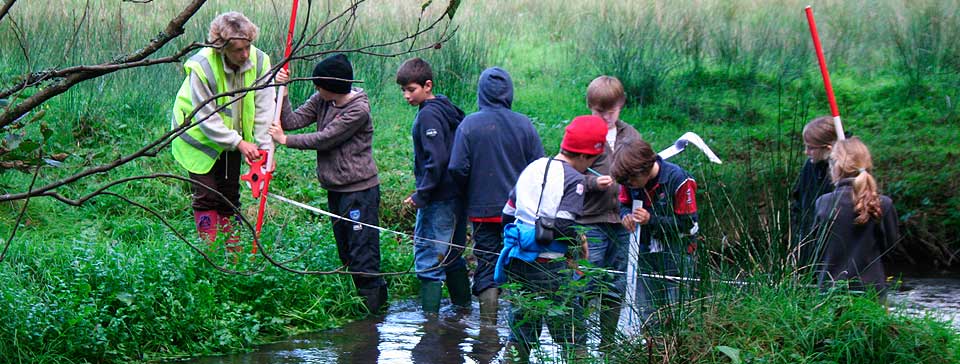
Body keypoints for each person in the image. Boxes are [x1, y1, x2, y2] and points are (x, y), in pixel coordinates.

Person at [268, 53, 387, 314]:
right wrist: (283, 93)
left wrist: (286, 141)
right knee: (346, 253)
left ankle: (372, 317)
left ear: (333, 86)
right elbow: (291, 121)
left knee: (363, 255)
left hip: (359, 191)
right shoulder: (322, 99)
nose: (316, 89)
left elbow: (326, 138)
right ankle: (361, 310)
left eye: (320, 85)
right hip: (335, 189)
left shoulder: (358, 110)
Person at [498, 115, 607, 364]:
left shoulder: (533, 167)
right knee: (572, 333)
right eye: (593, 159)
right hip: (550, 266)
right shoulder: (575, 180)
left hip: (517, 261)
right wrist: (578, 244)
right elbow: (563, 225)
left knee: (522, 328)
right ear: (585, 156)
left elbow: (507, 214)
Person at [170, 11, 275, 253]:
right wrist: (239, 142)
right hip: (196, 137)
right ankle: (210, 254)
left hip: (233, 139)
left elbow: (264, 109)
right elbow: (205, 117)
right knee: (207, 196)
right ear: (221, 48)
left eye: (248, 47)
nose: (245, 54)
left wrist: (264, 150)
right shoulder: (202, 66)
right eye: (238, 50)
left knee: (229, 197)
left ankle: (233, 253)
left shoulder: (260, 61)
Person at [447, 67, 545, 323]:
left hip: (483, 210)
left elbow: (456, 167)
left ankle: (488, 331)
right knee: (523, 262)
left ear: (481, 93)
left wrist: (468, 191)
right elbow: (540, 169)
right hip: (520, 212)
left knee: (487, 264)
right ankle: (521, 334)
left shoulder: (469, 125)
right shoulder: (524, 124)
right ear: (509, 93)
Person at [395, 57, 471, 315]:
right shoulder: (445, 108)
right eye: (403, 90)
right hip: (457, 195)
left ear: (427, 85)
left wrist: (422, 194)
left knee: (429, 259)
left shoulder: (428, 115)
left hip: (439, 198)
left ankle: (430, 324)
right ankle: (463, 314)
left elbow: (437, 159)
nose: (406, 96)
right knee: (452, 256)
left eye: (411, 89)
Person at [578, 76, 641, 351]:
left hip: (623, 222)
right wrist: (593, 182)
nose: (605, 117)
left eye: (611, 111)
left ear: (621, 105)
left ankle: (607, 346)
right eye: (599, 111)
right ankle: (577, 345)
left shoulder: (632, 136)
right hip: (590, 221)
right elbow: (566, 174)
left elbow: (643, 172)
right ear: (589, 107)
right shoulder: (582, 134)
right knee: (586, 280)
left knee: (616, 283)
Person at [611, 139, 699, 331]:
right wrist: (625, 216)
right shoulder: (629, 178)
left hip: (677, 253)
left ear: (644, 169)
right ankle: (652, 344)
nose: (629, 185)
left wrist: (651, 220)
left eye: (630, 182)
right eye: (625, 183)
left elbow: (689, 225)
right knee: (647, 313)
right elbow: (623, 204)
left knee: (677, 313)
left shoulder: (679, 180)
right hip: (644, 252)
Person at [813, 137, 899, 299]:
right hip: (873, 293)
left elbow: (815, 250)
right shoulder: (884, 204)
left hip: (829, 293)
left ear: (835, 167)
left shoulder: (823, 203)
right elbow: (891, 248)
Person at [791, 116, 839, 271]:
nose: (806, 152)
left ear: (828, 148)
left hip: (835, 255)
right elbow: (798, 206)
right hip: (808, 247)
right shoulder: (809, 167)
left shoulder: (846, 171)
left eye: (811, 148)